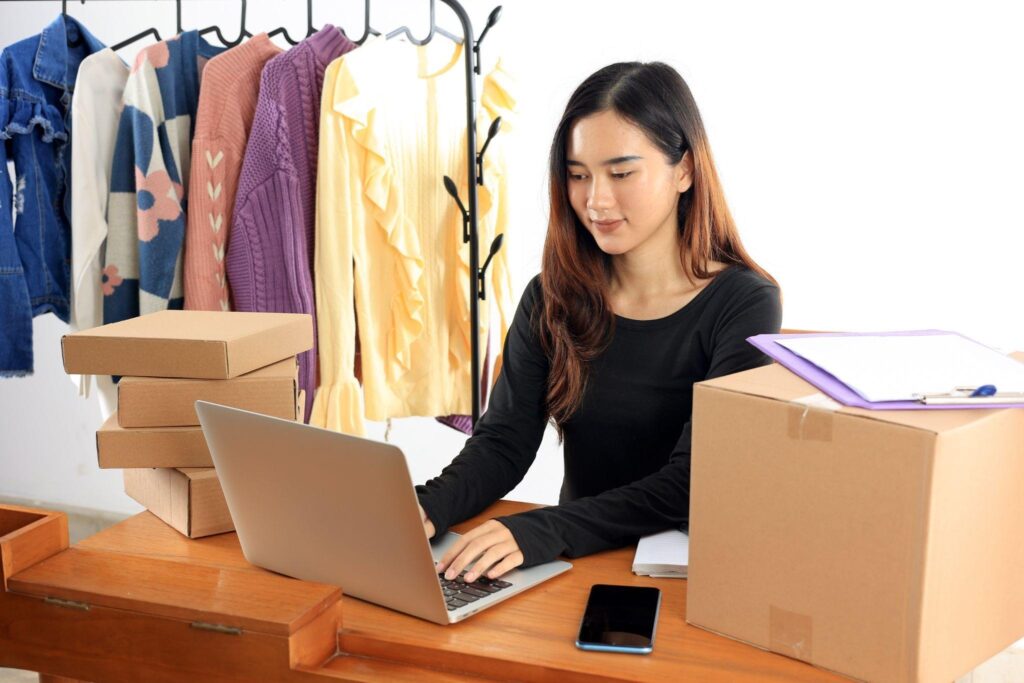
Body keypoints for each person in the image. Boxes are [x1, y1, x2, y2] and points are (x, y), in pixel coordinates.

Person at [416, 61, 782, 584]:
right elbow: (503, 443)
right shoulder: (552, 296)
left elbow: (692, 481)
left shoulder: (745, 303)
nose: (595, 200)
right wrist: (423, 509)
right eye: (578, 175)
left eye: (621, 173)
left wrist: (540, 531)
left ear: (684, 170)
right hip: (578, 561)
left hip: (688, 576)